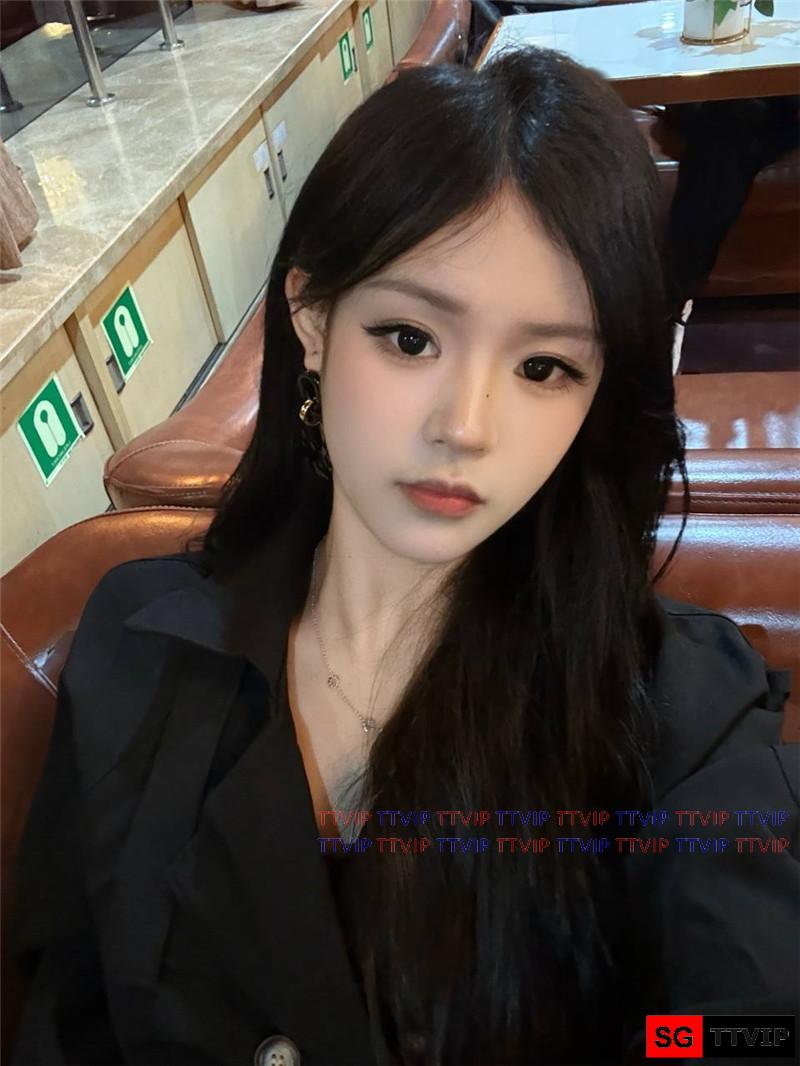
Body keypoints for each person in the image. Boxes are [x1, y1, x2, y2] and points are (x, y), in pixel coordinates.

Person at [9, 46, 798, 1066]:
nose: (464, 426)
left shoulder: (679, 709)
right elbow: (66, 1019)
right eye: (411, 339)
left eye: (543, 366)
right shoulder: (137, 644)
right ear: (312, 317)